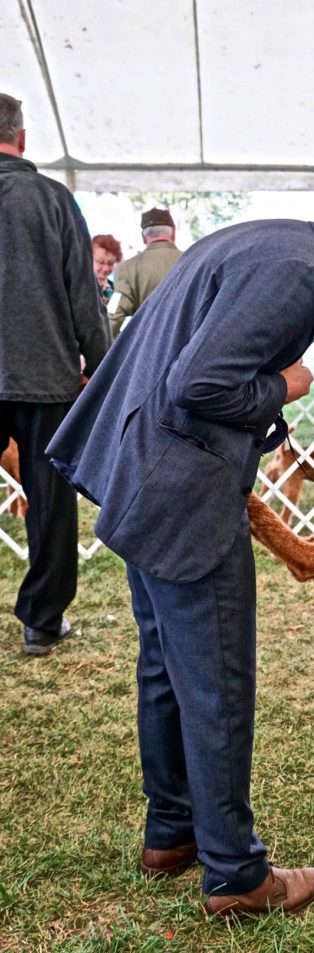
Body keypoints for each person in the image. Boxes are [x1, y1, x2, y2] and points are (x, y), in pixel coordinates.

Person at [47, 221, 314, 920]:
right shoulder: (296, 274)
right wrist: (285, 385)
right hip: (185, 495)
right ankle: (236, 872)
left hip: (144, 479)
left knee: (167, 667)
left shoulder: (273, 241)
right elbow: (200, 385)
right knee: (218, 685)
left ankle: (171, 835)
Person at [0, 93, 110, 655]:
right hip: (44, 372)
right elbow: (83, 296)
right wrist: (103, 362)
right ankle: (42, 622)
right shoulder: (52, 199)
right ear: (22, 138)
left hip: (32, 368)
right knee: (49, 498)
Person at [107, 208, 181, 337]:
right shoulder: (195, 260)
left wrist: (96, 352)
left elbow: (113, 314)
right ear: (173, 233)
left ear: (143, 237)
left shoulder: (127, 268)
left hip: (148, 347)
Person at [92, 234, 122, 304]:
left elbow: (113, 312)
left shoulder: (115, 290)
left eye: (110, 263)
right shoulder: (80, 286)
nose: (106, 268)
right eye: (101, 262)